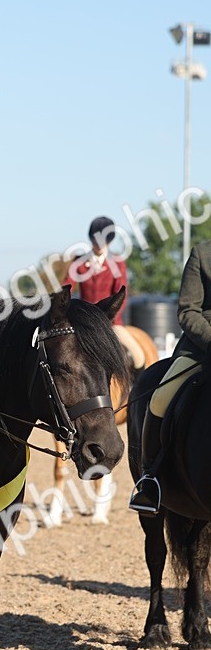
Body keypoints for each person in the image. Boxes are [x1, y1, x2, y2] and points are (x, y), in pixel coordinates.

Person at [129, 241, 211, 515]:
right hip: (202, 348)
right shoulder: (203, 253)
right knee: (161, 398)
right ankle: (150, 480)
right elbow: (188, 310)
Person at [73, 216, 146, 370]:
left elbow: (121, 294)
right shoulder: (79, 262)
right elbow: (67, 286)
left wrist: (108, 317)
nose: (98, 245)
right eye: (95, 241)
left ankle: (137, 390)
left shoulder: (118, 263)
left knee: (139, 356)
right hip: (84, 321)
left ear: (109, 241)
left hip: (110, 322)